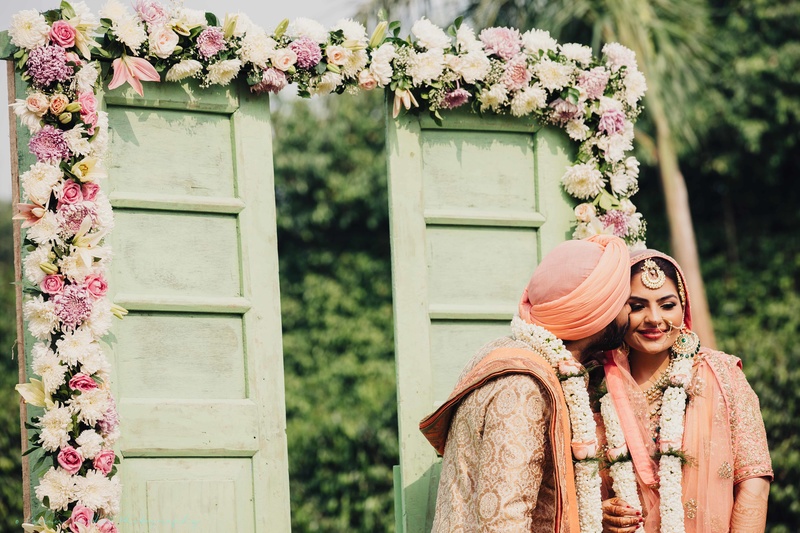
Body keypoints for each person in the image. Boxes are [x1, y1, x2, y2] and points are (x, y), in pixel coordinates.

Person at [419, 235, 632, 532]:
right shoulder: (523, 387)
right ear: (597, 312)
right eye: (626, 302)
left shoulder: (510, 354)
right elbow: (504, 520)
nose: (631, 314)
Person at [601, 250, 773, 533]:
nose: (654, 319)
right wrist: (602, 513)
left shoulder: (723, 374)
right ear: (617, 311)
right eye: (637, 306)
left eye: (667, 305)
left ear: (684, 307)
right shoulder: (595, 383)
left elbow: (753, 481)